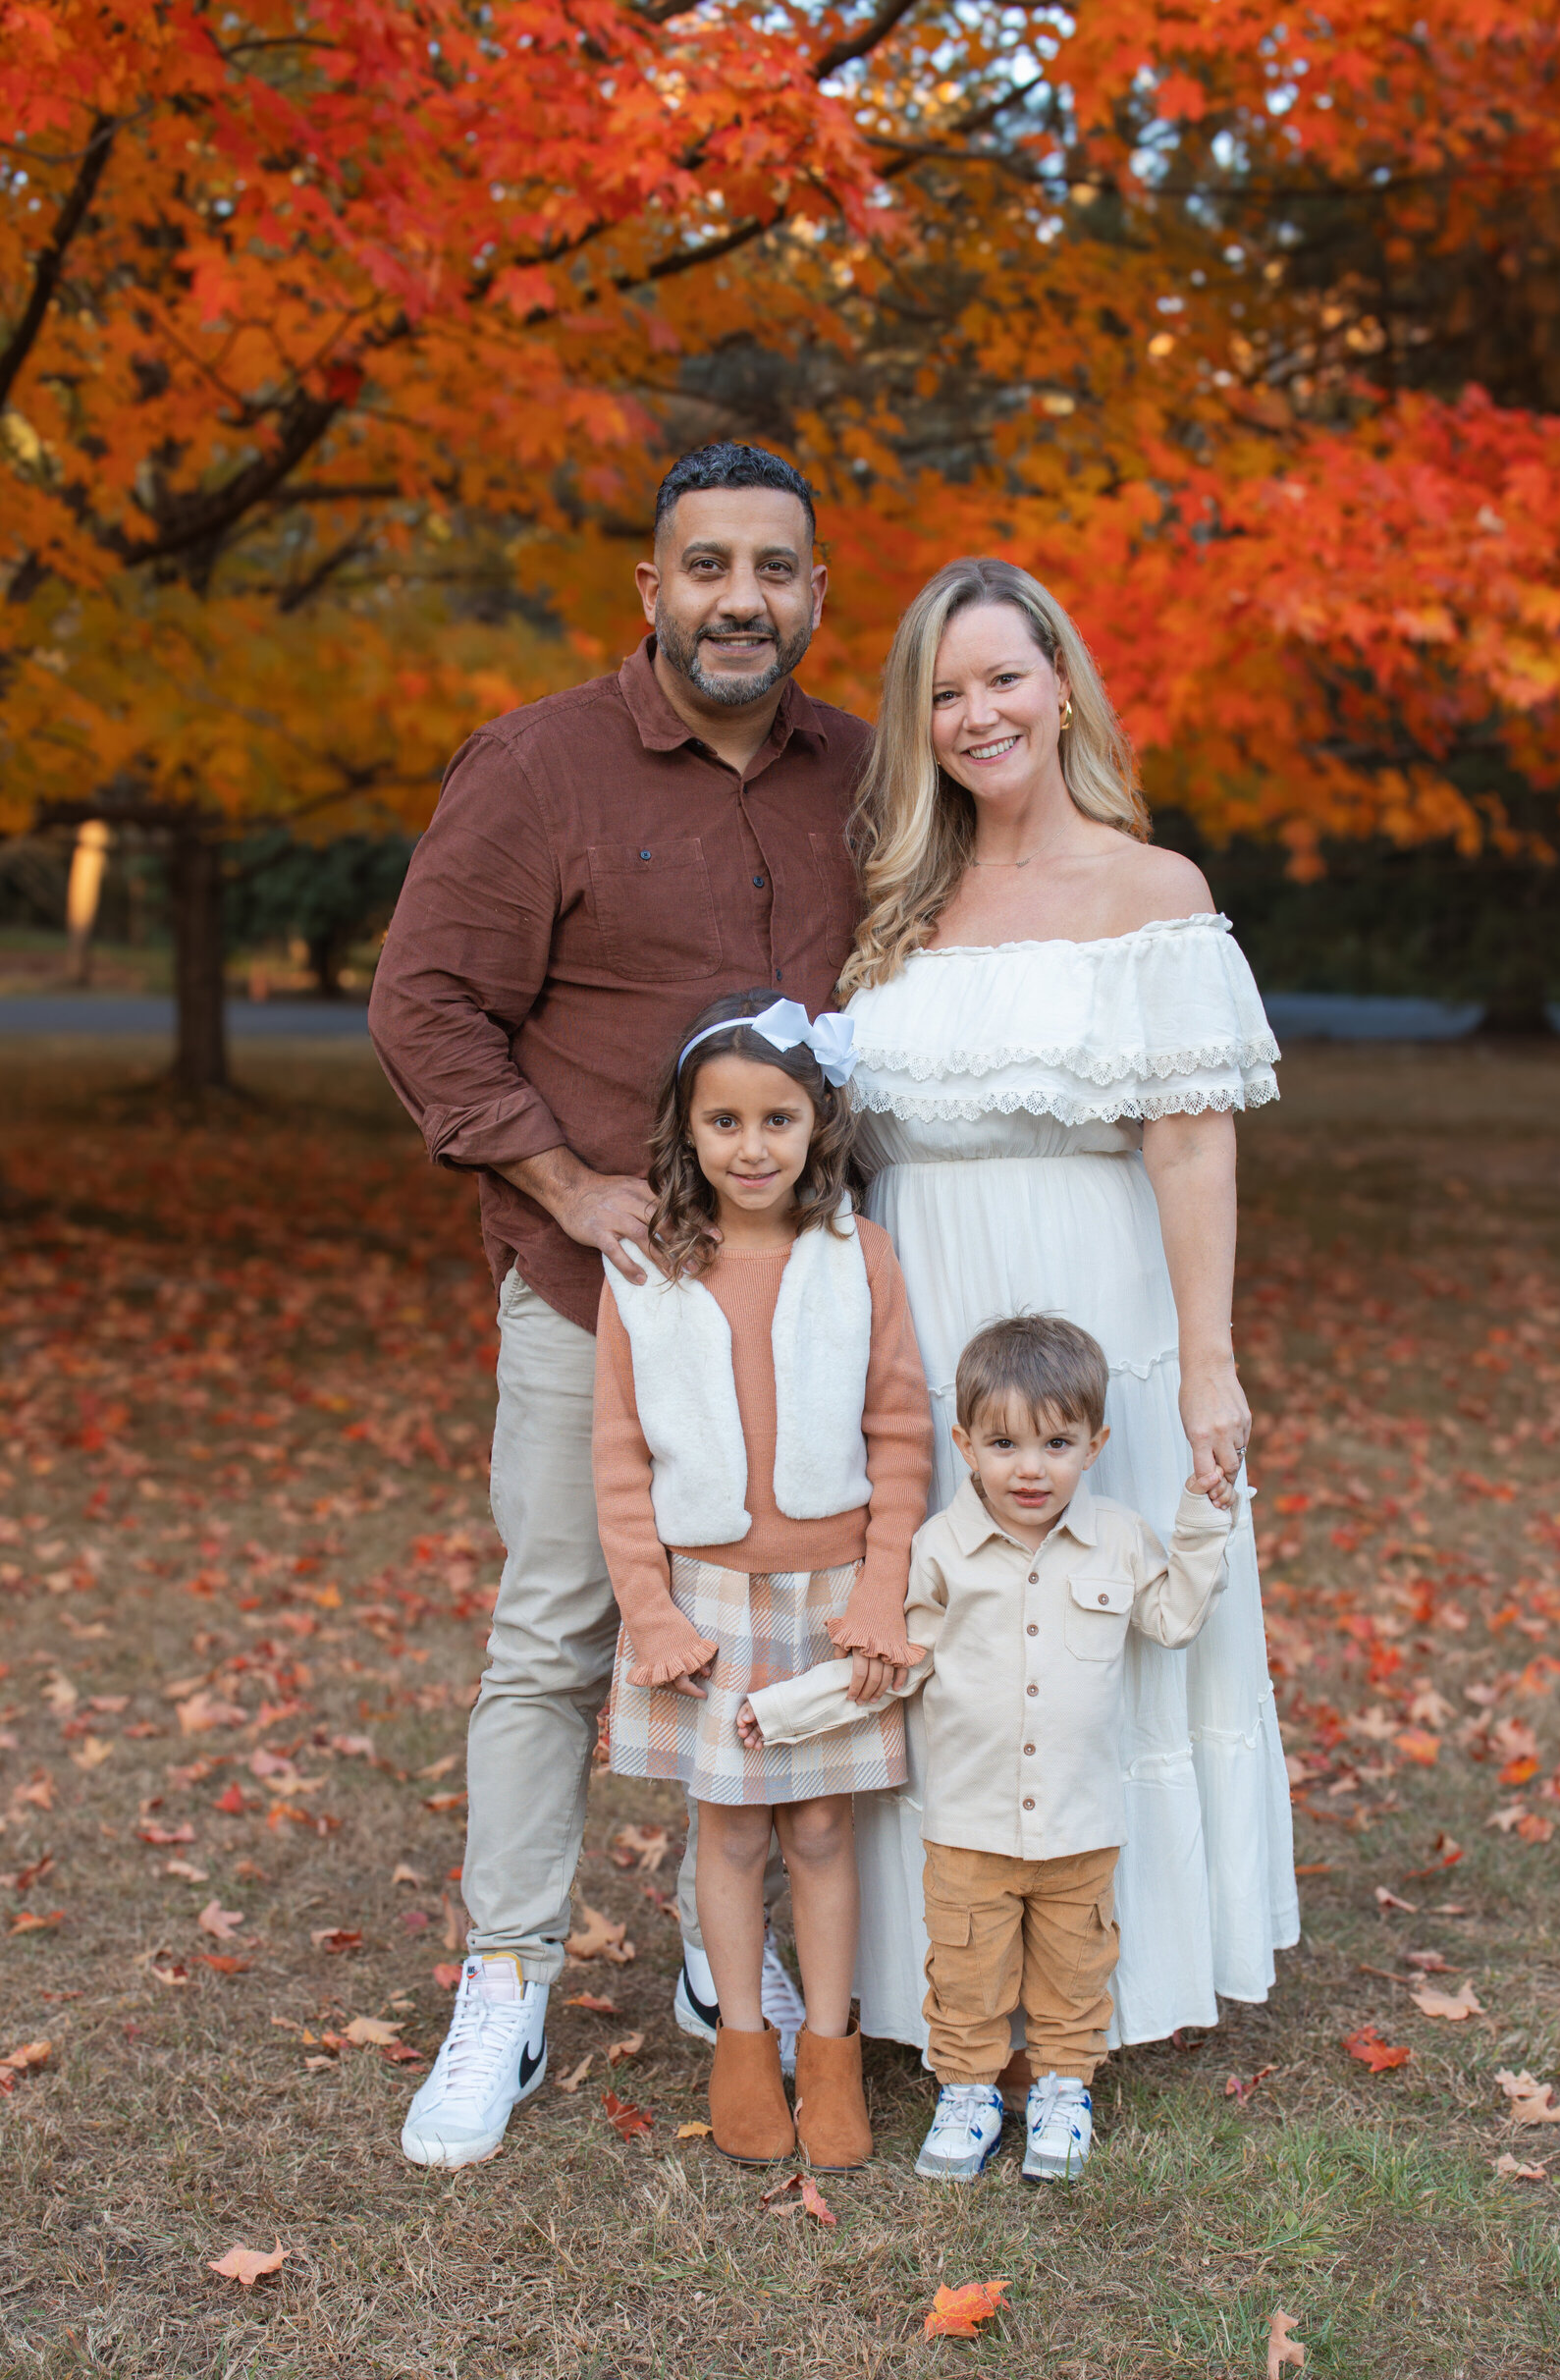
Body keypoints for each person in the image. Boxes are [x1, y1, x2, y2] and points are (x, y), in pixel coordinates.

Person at [368, 443, 874, 2170]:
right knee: (555, 1633)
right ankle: (502, 1975)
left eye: (778, 569)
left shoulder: (863, 777)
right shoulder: (539, 768)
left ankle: (716, 1952)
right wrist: (564, 1181)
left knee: (777, 1616)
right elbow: (426, 1001)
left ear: (816, 593)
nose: (746, 597)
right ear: (649, 590)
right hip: (605, 1294)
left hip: (808, 1308)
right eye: (709, 565)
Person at [823, 555, 1299, 2060]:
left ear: (1063, 684)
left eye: (1002, 679)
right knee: (954, 1615)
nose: (977, 715)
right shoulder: (900, 899)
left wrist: (1208, 1370)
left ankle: (1125, 1980)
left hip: (1105, 1305)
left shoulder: (1152, 894)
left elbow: (1191, 1134)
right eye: (944, 694)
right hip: (927, 1300)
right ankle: (939, 1987)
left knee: (1112, 1616)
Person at [744, 1315, 1241, 2184]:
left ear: (1095, 1444)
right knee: (966, 1971)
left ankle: (1061, 2090)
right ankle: (967, 2094)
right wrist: (786, 1710)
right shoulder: (941, 1550)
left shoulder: (1120, 1539)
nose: (1031, 1467)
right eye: (1005, 1443)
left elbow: (1173, 1619)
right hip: (969, 1824)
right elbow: (891, 1665)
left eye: (1057, 1442)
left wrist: (1202, 1520)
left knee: (1075, 1968)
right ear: (965, 1443)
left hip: (1081, 1826)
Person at [592, 989, 931, 2166]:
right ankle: (745, 2042)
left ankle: (828, 2052)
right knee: (728, 1837)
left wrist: (881, 1591)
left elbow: (898, 1430)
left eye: (776, 1119)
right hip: (707, 1601)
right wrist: (650, 1611)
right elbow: (620, 1454)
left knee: (824, 1831)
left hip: (832, 1593)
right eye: (724, 1121)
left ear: (816, 1124)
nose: (751, 1147)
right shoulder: (645, 1269)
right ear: (687, 1131)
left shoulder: (856, 1254)